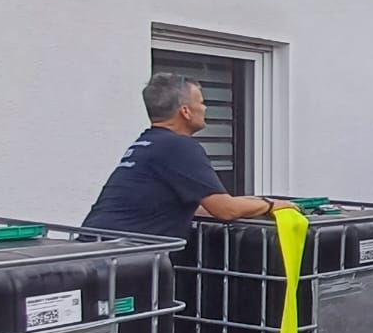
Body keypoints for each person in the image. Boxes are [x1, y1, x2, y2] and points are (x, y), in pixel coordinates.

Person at [81, 73, 294, 239]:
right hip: (123, 258)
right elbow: (225, 210)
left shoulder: (148, 143)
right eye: (201, 102)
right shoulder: (178, 146)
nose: (205, 107)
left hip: (99, 248)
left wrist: (254, 201)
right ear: (185, 111)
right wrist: (271, 205)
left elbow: (201, 207)